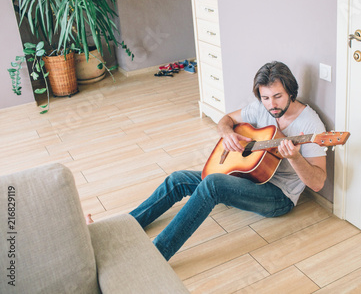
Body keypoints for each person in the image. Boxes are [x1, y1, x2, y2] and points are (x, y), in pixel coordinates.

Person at [89, 61, 327, 261]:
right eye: (265, 98)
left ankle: (157, 254)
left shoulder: (311, 125)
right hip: (248, 176)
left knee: (213, 184)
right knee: (177, 179)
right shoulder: (261, 107)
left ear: (291, 92)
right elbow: (226, 119)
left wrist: (295, 157)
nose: (271, 105)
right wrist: (228, 134)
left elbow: (317, 182)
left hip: (278, 196)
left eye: (278, 97)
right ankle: (125, 226)